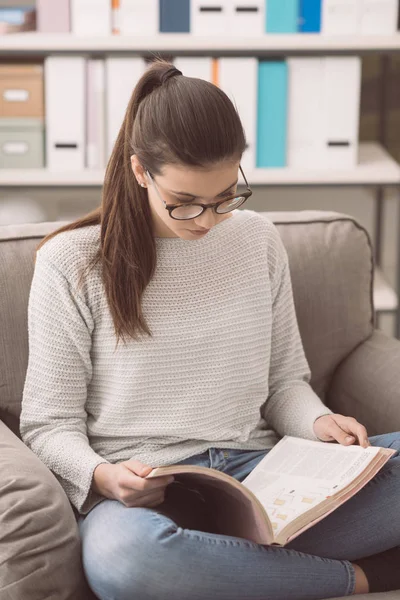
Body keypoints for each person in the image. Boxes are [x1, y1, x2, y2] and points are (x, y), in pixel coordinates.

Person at [19, 59, 400, 600]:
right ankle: (366, 576)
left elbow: (283, 381)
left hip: (265, 475)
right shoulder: (72, 263)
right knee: (126, 562)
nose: (205, 220)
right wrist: (105, 476)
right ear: (139, 172)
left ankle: (234, 566)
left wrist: (319, 423)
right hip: (145, 496)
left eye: (224, 198)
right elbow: (48, 425)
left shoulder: (256, 240)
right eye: (185, 204)